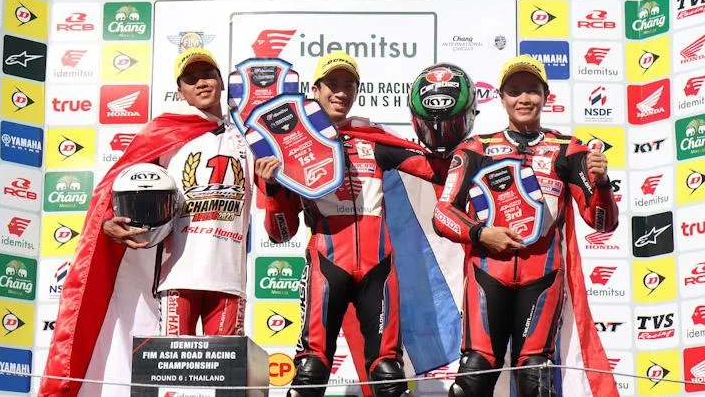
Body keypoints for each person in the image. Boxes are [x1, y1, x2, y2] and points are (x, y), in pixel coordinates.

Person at [40, 48, 279, 396]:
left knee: (228, 385)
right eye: (191, 79)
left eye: (208, 75)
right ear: (180, 91)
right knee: (171, 381)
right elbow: (119, 188)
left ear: (221, 82)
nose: (201, 83)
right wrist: (107, 223)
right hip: (176, 276)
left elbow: (276, 203)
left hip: (229, 278)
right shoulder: (164, 133)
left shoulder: (248, 136)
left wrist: (272, 184)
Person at [255, 51, 450, 397]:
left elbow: (438, 171)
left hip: (379, 267)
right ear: (315, 90)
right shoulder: (292, 146)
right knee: (311, 369)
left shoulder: (372, 138)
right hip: (327, 264)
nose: (341, 92)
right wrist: (271, 189)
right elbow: (279, 232)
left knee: (388, 373)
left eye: (349, 85)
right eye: (332, 84)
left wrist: (450, 136)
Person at [432, 55, 619, 397]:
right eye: (514, 91)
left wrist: (603, 182)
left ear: (546, 95)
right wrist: (481, 234)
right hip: (487, 274)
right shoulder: (477, 149)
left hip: (542, 276)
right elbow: (443, 213)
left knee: (536, 378)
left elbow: (601, 222)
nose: (524, 98)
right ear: (501, 97)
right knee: (473, 375)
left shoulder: (568, 150)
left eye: (532, 90)